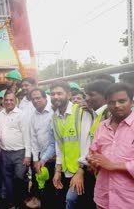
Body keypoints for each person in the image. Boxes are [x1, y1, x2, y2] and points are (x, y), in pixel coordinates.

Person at [87, 83, 134, 209]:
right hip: (103, 197)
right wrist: (92, 161)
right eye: (112, 102)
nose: (117, 106)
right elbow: (94, 151)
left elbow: (108, 164)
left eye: (122, 101)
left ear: (132, 101)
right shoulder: (102, 126)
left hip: (128, 200)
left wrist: (113, 166)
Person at [50, 81, 93, 209]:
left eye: (59, 93)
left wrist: (81, 170)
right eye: (53, 94)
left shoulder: (81, 113)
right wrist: (58, 171)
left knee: (72, 200)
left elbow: (88, 144)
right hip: (67, 171)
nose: (56, 96)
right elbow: (59, 146)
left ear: (68, 95)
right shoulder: (54, 118)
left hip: (84, 170)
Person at [0, 91, 31, 208]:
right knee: (7, 180)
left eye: (11, 100)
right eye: (6, 100)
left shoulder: (21, 114)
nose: (8, 102)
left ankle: (21, 203)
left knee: (19, 178)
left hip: (19, 153)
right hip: (4, 152)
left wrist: (27, 155)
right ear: (3, 101)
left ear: (15, 101)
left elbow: (27, 135)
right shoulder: (1, 114)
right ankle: (11, 204)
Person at [26, 88, 55, 209]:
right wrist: (36, 160)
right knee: (42, 186)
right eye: (33, 99)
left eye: (38, 97)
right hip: (42, 158)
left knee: (55, 186)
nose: (35, 100)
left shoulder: (54, 112)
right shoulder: (33, 117)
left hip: (55, 157)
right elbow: (34, 140)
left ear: (45, 97)